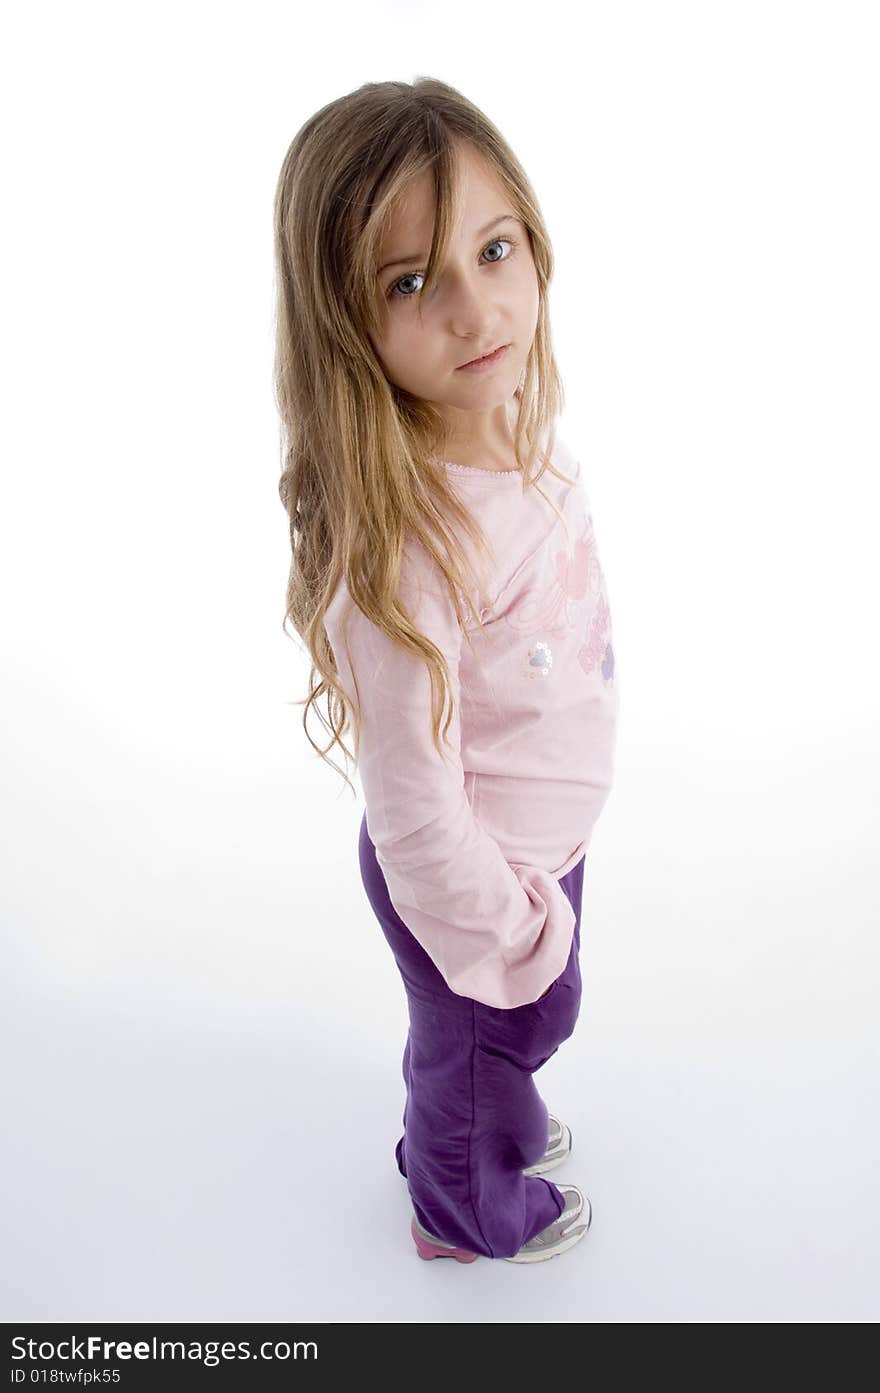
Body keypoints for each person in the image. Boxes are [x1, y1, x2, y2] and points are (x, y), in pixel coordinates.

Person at [272, 77, 620, 1263]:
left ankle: (472, 1118)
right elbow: (412, 806)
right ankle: (461, 1209)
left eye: (494, 248)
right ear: (346, 324)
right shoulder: (406, 547)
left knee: (505, 1036)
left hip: (534, 838)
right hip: (467, 872)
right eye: (412, 282)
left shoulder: (510, 420)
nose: (477, 311)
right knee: (496, 1028)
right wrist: (505, 925)